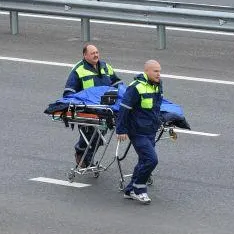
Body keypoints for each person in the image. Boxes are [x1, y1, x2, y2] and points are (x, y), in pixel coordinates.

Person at [63, 44, 122, 168]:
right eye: (92, 53)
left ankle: (87, 158)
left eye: (97, 52)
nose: (96, 55)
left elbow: (117, 83)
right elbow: (69, 93)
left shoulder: (106, 67)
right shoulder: (78, 70)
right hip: (88, 109)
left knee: (99, 135)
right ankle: (81, 154)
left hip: (105, 108)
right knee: (90, 134)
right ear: (85, 55)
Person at [116, 60, 163, 204]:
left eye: (159, 71)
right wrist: (121, 129)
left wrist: (159, 121)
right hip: (137, 131)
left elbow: (156, 106)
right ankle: (139, 190)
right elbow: (124, 108)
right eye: (155, 71)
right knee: (151, 160)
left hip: (150, 130)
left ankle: (130, 190)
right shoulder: (136, 87)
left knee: (144, 160)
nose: (158, 74)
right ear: (147, 71)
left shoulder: (157, 85)